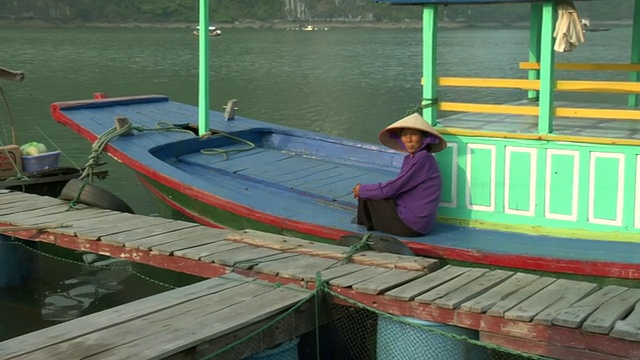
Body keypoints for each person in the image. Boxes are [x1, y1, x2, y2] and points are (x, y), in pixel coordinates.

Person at [352, 112, 446, 237]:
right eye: (404, 135)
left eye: (414, 134)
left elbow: (395, 186)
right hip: (419, 223)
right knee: (372, 193)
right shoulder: (411, 158)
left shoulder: (423, 158)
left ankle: (365, 227)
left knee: (367, 196)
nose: (408, 139)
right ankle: (368, 221)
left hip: (413, 225)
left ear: (424, 138)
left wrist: (362, 190)